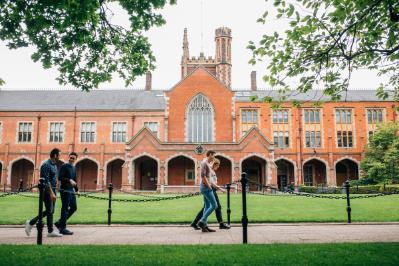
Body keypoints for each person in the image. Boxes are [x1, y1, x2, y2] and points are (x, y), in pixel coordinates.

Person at [25, 148, 63, 237]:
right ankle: (31, 222)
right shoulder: (46, 165)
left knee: (51, 211)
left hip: (52, 190)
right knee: (50, 210)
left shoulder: (54, 165)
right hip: (46, 192)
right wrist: (51, 193)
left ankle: (50, 231)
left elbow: (53, 178)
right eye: (59, 155)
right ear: (55, 155)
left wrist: (55, 189)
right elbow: (46, 180)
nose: (60, 157)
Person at [191, 158, 231, 230]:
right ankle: (217, 223)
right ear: (215, 164)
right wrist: (220, 189)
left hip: (211, 189)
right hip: (210, 189)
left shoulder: (211, 171)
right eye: (218, 165)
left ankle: (197, 223)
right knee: (216, 206)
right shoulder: (210, 171)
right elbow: (211, 183)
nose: (218, 167)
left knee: (207, 207)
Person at [55, 152, 79, 235]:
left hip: (71, 190)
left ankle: (59, 222)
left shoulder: (74, 167)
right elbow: (60, 177)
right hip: (64, 190)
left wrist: (77, 190)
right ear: (68, 157)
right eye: (70, 157)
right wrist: (69, 180)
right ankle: (62, 228)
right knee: (65, 208)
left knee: (74, 207)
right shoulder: (64, 166)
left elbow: (75, 180)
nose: (71, 159)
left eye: (73, 158)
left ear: (76, 159)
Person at [194, 150, 217, 232]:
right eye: (213, 155)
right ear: (210, 155)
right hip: (206, 187)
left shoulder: (207, 163)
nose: (214, 157)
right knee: (214, 205)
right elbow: (203, 176)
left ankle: (205, 226)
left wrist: (212, 162)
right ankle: (202, 221)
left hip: (206, 187)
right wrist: (209, 186)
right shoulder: (204, 163)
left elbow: (208, 171)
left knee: (207, 206)